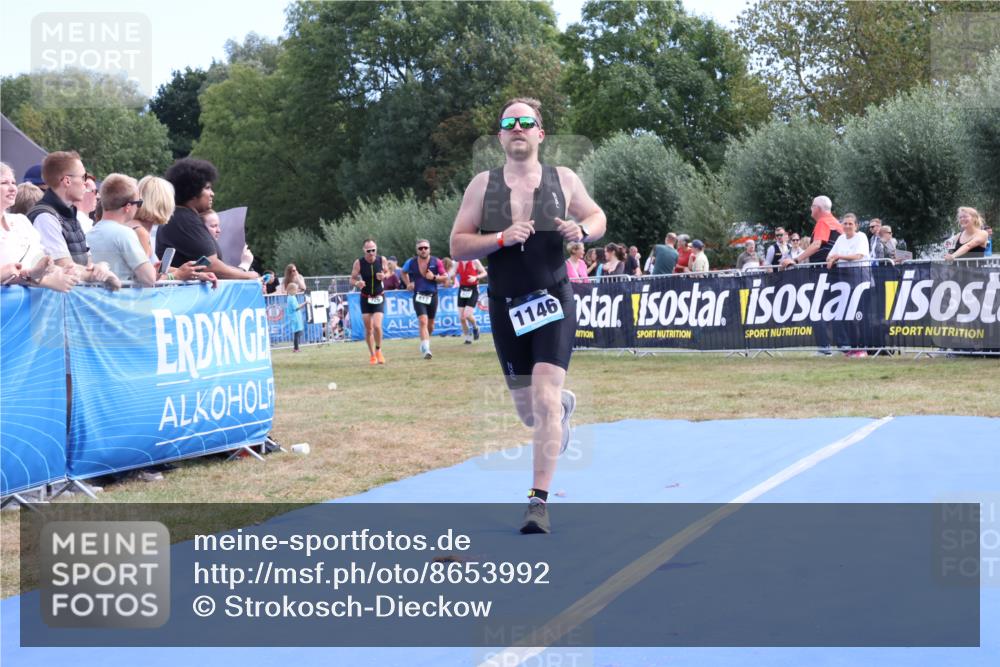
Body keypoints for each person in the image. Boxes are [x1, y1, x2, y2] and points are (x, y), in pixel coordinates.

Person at [449, 96, 606, 534]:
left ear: (540, 133)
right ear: (501, 136)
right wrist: (499, 238)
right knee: (528, 412)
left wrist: (584, 231)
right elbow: (457, 244)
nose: (518, 128)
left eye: (526, 122)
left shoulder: (564, 178)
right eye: (509, 123)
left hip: (554, 299)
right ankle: (560, 408)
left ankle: (538, 502)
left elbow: (596, 215)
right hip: (506, 306)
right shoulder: (483, 185)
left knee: (543, 396)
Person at [26, 151, 119, 289]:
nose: (86, 184)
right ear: (67, 181)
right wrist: (95, 274)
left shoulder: (70, 215)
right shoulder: (45, 217)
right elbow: (64, 266)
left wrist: (100, 267)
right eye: (83, 177)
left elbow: (86, 262)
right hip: (53, 306)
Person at [155, 158, 258, 280]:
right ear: (192, 191)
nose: (212, 193)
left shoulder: (182, 216)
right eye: (207, 188)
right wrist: (249, 275)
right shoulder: (183, 218)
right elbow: (211, 266)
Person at [1, 162, 78, 292]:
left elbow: (37, 261)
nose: (13, 188)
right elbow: (16, 273)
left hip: (28, 309)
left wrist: (58, 270)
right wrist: (44, 279)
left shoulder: (21, 221)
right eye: (4, 183)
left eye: (13, 183)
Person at [85, 174, 157, 286]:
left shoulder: (87, 233)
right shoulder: (124, 234)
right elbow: (149, 278)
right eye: (139, 203)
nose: (138, 208)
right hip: (120, 300)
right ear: (128, 207)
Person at [826, 214, 870, 357]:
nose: (847, 226)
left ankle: (863, 348)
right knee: (847, 315)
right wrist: (831, 258)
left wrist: (838, 257)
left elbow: (858, 256)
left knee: (859, 315)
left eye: (850, 224)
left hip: (860, 279)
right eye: (845, 223)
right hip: (844, 280)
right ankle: (853, 347)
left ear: (856, 225)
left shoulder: (861, 237)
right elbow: (830, 255)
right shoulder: (840, 238)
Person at [402, 239, 448, 359]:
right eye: (420, 248)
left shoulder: (436, 261)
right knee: (423, 321)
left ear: (429, 249)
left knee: (431, 325)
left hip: (433, 296)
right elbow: (403, 272)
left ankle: (424, 342)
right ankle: (426, 349)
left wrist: (434, 277)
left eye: (425, 248)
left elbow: (445, 277)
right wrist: (408, 283)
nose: (423, 250)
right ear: (417, 250)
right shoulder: (411, 262)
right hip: (418, 296)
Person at [351, 238, 388, 364]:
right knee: (369, 329)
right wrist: (357, 283)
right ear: (364, 250)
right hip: (365, 298)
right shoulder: (359, 263)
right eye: (369, 251)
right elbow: (351, 279)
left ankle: (378, 350)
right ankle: (372, 355)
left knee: (377, 325)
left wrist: (384, 276)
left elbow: (389, 273)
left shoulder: (382, 260)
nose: (372, 253)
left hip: (379, 296)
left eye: (374, 250)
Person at [781, 196, 843, 268]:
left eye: (812, 206)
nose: (811, 208)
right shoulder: (836, 223)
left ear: (817, 208)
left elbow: (816, 245)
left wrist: (795, 260)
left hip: (823, 268)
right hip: (835, 267)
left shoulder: (823, 222)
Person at [132, 175, 174, 260]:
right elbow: (144, 272)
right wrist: (178, 273)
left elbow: (153, 267)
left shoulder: (136, 227)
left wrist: (181, 270)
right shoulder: (140, 232)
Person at [454, 257, 487, 344]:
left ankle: (476, 327)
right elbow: (452, 273)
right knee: (461, 318)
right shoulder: (458, 262)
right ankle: (468, 338)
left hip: (473, 289)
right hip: (462, 289)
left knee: (467, 315)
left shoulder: (474, 261)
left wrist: (476, 277)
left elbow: (484, 272)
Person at [285, 282, 307, 352]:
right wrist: (305, 303)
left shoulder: (291, 297)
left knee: (298, 333)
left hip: (296, 317)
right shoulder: (291, 298)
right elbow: (296, 308)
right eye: (296, 290)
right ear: (292, 290)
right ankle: (296, 348)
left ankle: (296, 348)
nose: (297, 291)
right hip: (295, 317)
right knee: (297, 333)